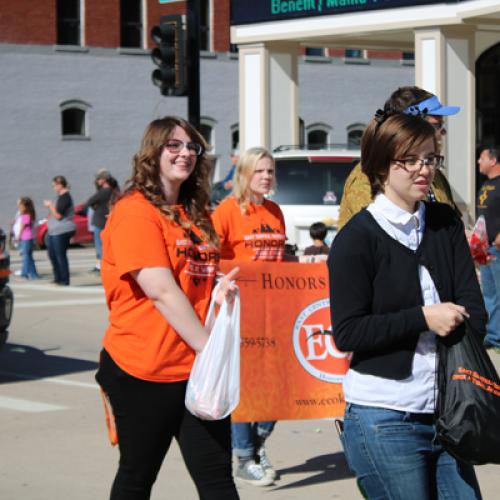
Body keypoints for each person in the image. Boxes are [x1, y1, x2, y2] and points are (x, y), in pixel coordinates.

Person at [328, 112, 487, 499]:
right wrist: (423, 318)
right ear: (381, 165)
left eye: (430, 158)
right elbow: (348, 332)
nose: (423, 169)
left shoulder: (444, 223)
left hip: (449, 411)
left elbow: (475, 310)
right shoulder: (356, 239)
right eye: (410, 160)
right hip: (384, 417)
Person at [95, 116, 240, 500]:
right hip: (144, 369)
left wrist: (219, 295)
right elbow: (160, 289)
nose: (185, 153)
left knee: (217, 481)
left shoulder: (195, 212)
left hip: (194, 371)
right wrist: (213, 352)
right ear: (153, 152)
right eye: (173, 145)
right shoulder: (134, 211)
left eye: (192, 146)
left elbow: (195, 281)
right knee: (137, 478)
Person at [212, 147, 286, 487]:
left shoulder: (274, 210)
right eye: (259, 171)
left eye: (270, 171)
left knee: (279, 383)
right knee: (245, 386)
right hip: (241, 312)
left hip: (274, 310)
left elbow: (281, 263)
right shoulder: (227, 212)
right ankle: (244, 456)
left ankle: (256, 444)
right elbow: (214, 264)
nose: (267, 177)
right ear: (242, 174)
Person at [337, 86, 461, 230]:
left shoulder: (435, 175)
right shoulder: (368, 176)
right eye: (436, 125)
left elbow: (450, 222)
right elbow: (379, 235)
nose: (443, 132)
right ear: (409, 126)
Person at [476, 146, 500, 350]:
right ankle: (493, 336)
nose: (478, 162)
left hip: (498, 249)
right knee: (489, 294)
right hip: (485, 249)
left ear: (493, 160)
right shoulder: (486, 184)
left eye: (481, 158)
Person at [79, 169, 115, 273]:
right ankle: (102, 265)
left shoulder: (103, 192)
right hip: (107, 220)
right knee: (107, 245)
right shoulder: (113, 191)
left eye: (99, 178)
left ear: (104, 180)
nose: (97, 180)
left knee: (100, 246)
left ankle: (101, 266)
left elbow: (89, 202)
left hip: (100, 221)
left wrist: (94, 207)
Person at [43, 175, 76, 286]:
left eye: (54, 186)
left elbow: (58, 215)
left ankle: (64, 280)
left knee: (60, 255)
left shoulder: (66, 197)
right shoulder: (59, 197)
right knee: (52, 254)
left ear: (60, 184)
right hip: (53, 231)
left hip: (62, 230)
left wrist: (50, 205)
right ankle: (57, 277)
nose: (53, 188)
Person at [16, 197, 40, 280]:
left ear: (25, 207)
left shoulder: (26, 215)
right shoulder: (29, 214)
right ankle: (34, 274)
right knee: (29, 256)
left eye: (21, 206)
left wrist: (18, 236)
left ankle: (25, 273)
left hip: (26, 238)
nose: (19, 207)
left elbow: (22, 227)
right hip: (29, 238)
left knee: (26, 256)